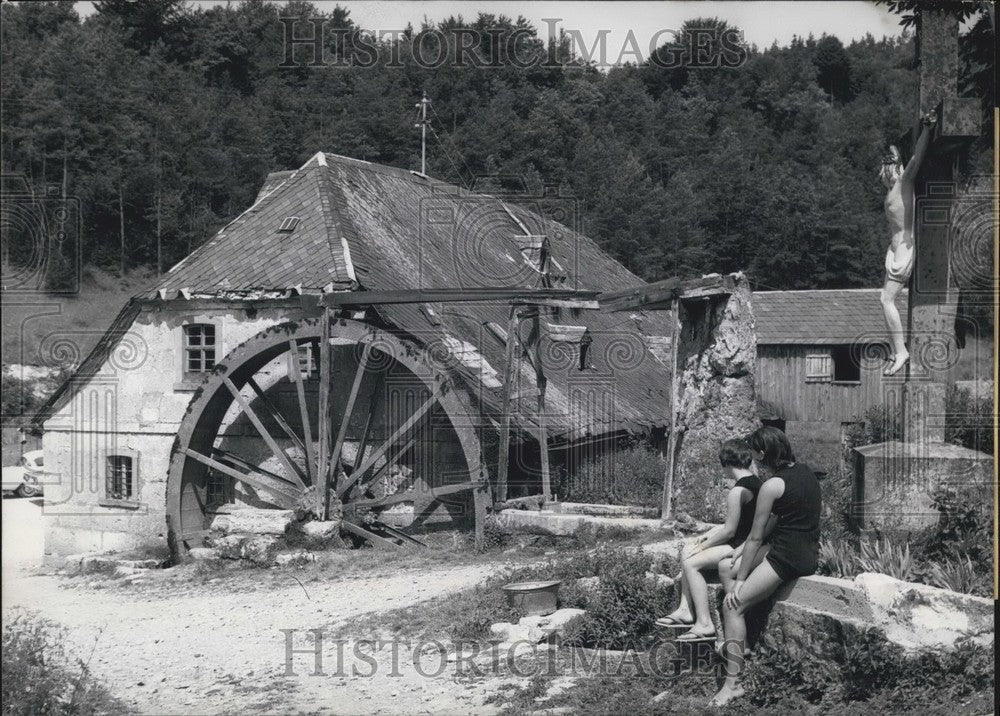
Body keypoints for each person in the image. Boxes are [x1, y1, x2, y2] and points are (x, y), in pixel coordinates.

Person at [710, 426, 821, 708]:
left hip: (786, 557)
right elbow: (785, 520)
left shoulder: (772, 485)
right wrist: (738, 561)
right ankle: (742, 641)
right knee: (727, 567)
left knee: (732, 605)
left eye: (755, 454)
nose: (754, 460)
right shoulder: (806, 472)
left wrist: (741, 581)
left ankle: (733, 684)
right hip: (806, 550)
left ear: (762, 453)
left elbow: (756, 536)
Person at [656, 439, 762, 643]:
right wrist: (709, 535)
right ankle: (685, 610)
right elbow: (741, 523)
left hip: (737, 546)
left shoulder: (737, 491)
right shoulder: (758, 484)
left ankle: (704, 623)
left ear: (726, 463)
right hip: (747, 542)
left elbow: (730, 531)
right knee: (689, 552)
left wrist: (702, 546)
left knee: (690, 560)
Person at [880, 111, 937, 376]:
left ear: (897, 165)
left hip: (903, 247)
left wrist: (927, 128)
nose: (886, 164)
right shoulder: (892, 188)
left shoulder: (904, 181)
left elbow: (917, 158)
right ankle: (897, 349)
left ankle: (901, 351)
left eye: (891, 159)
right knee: (884, 300)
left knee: (886, 300)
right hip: (894, 249)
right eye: (885, 160)